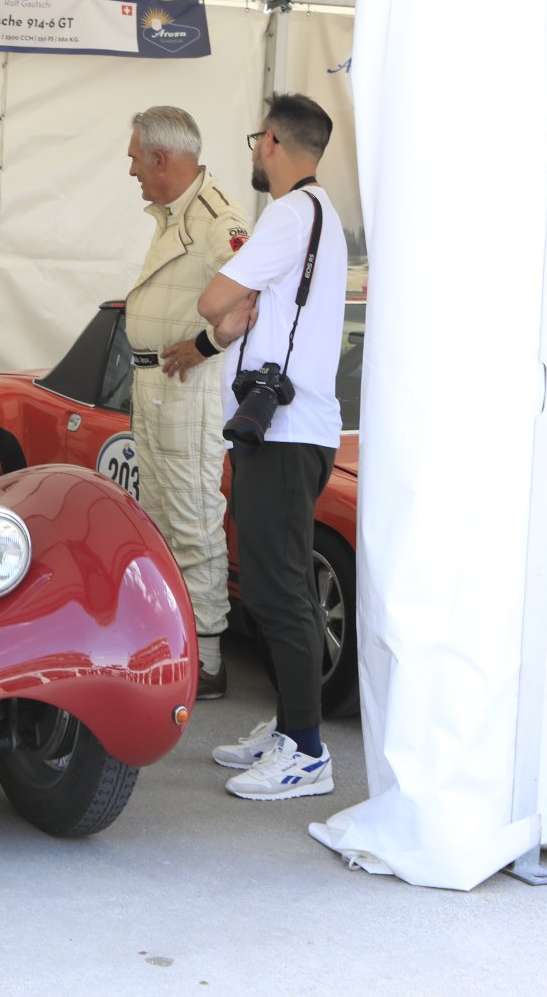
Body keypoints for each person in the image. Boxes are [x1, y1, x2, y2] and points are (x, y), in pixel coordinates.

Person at [198, 93, 348, 801]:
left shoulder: (289, 214)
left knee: (279, 589)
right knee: (272, 582)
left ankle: (307, 751)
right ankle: (291, 726)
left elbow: (212, 298)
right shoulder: (322, 215)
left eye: (258, 139)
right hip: (289, 430)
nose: (255, 150)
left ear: (273, 144)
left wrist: (228, 314)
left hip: (284, 432)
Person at [123, 106, 251, 702]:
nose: (131, 170)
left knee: (192, 516)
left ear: (160, 158)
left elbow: (253, 292)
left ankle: (208, 656)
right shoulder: (178, 212)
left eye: (134, 158)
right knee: (159, 515)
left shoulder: (217, 217)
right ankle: (176, 640)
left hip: (186, 386)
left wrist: (205, 346)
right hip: (157, 382)